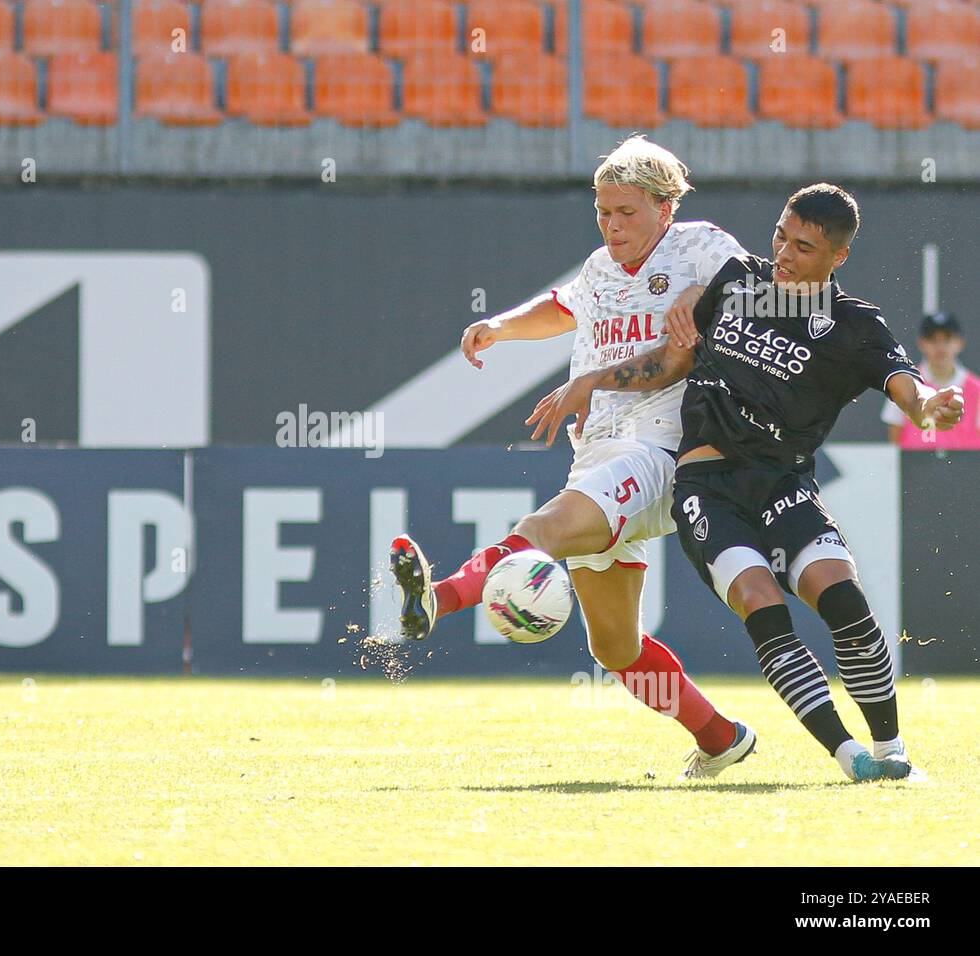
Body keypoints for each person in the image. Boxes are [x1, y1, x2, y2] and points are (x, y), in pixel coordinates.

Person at [533, 183, 965, 781]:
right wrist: (597, 379)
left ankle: (893, 751)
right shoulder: (737, 281)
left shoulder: (853, 326)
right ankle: (851, 758)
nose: (784, 254)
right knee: (762, 604)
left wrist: (928, 406)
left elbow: (904, 384)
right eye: (781, 236)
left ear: (837, 257)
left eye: (804, 247)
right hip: (708, 489)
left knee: (841, 596)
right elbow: (671, 360)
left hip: (783, 482)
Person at [390, 135, 756, 779]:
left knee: (541, 530)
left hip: (660, 448)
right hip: (597, 457)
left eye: (627, 212)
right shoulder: (598, 269)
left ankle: (439, 598)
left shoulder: (700, 247)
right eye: (603, 212)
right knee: (615, 648)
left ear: (666, 207)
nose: (613, 225)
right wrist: (500, 327)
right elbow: (560, 309)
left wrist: (701, 299)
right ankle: (722, 738)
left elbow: (755, 285)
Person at [881, 312, 980, 449]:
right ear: (922, 343)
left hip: (964, 469)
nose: (940, 347)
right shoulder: (905, 382)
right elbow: (895, 436)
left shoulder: (977, 389)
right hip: (915, 468)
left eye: (947, 339)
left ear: (960, 343)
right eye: (933, 340)